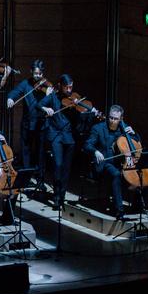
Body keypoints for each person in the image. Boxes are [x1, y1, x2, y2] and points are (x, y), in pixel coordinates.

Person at [37, 74, 97, 210]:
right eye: (67, 87)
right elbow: (38, 105)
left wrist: (88, 111)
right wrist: (46, 109)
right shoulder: (52, 96)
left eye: (71, 87)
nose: (69, 90)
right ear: (60, 85)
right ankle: (56, 195)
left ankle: (61, 197)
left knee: (66, 169)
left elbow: (81, 121)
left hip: (69, 136)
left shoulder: (74, 99)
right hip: (56, 136)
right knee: (58, 165)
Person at [83, 105, 138, 220]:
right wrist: (96, 151)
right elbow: (87, 145)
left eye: (115, 119)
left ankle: (137, 207)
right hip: (104, 163)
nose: (112, 121)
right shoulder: (98, 128)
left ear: (121, 119)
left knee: (140, 175)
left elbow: (137, 145)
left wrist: (134, 134)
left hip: (121, 162)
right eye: (111, 118)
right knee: (116, 174)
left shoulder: (124, 128)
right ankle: (120, 211)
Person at [6, 59, 48, 183]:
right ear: (31, 72)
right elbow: (15, 92)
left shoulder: (46, 86)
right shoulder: (25, 84)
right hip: (28, 122)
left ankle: (40, 180)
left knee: (41, 152)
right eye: (36, 74)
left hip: (41, 123)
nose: (38, 76)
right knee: (26, 151)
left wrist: (50, 94)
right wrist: (10, 99)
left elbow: (52, 101)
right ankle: (26, 178)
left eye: (40, 74)